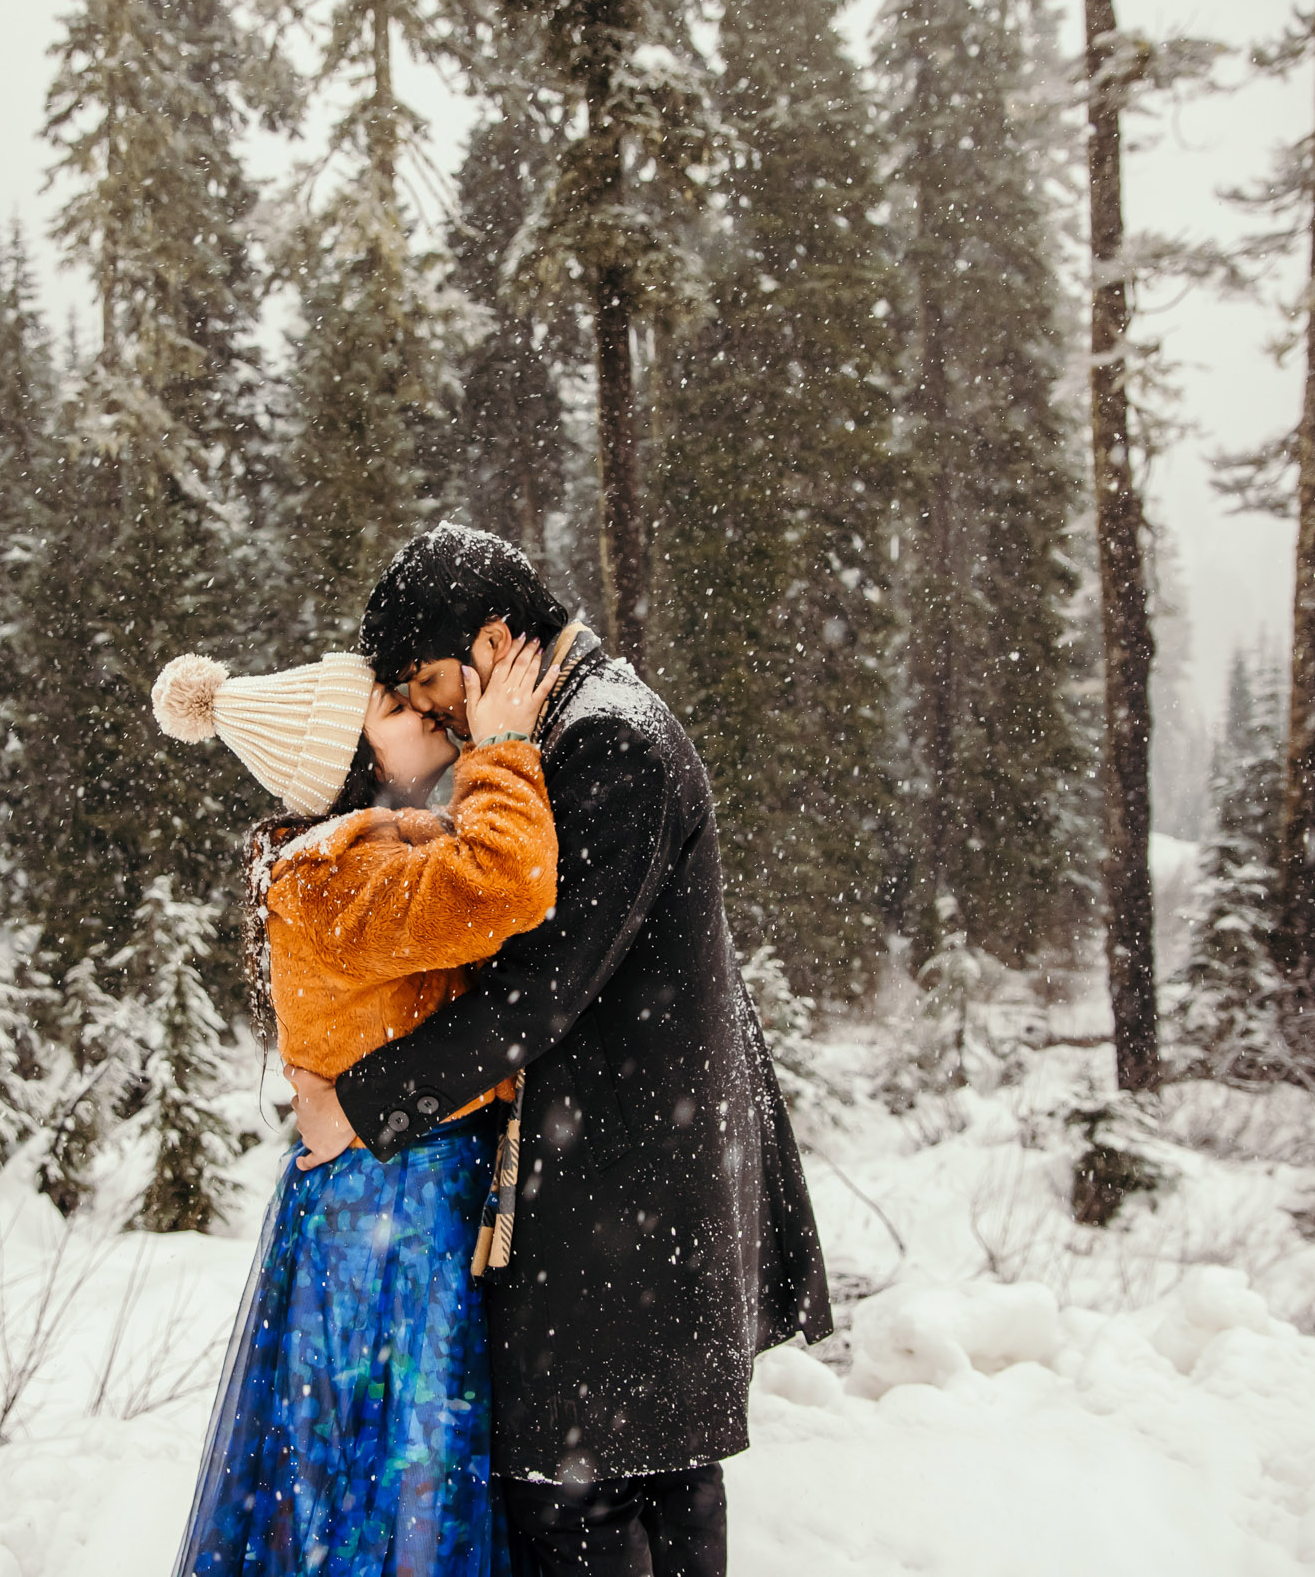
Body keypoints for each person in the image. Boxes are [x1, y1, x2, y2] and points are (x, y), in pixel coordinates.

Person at [288, 524, 835, 1577]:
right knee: (656, 1504)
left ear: (492, 640)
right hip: (632, 1219)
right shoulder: (581, 723)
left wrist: (361, 1104)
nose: (428, 705)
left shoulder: (608, 739)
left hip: (624, 1225)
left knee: (579, 1511)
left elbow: (539, 989)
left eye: (428, 678)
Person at [152, 637, 566, 1577]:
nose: (421, 711)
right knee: (395, 1465)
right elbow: (509, 880)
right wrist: (502, 745)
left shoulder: (358, 863)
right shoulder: (342, 874)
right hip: (393, 1216)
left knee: (355, 1468)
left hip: (378, 1202)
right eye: (390, 707)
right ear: (352, 759)